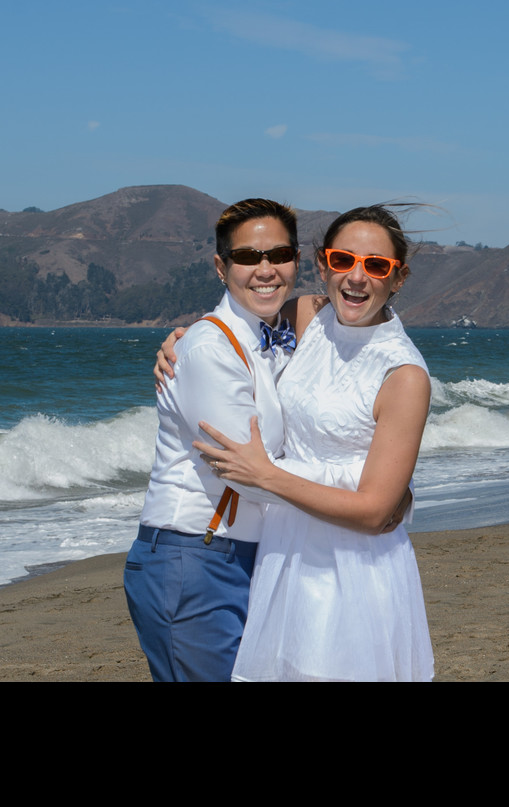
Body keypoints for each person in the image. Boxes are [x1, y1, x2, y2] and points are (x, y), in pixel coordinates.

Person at [195, 204, 434, 681]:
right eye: (343, 260)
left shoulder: (404, 375)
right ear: (324, 264)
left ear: (398, 278)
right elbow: (235, 329)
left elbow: (373, 512)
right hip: (286, 549)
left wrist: (268, 476)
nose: (357, 277)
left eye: (376, 266)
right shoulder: (308, 317)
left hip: (353, 568)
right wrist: (184, 338)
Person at [125, 198, 301, 682]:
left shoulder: (271, 338)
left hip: (246, 553)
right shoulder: (207, 348)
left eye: (279, 255)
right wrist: (361, 494)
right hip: (195, 557)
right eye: (247, 257)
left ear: (297, 261)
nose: (265, 269)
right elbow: (247, 473)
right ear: (222, 268)